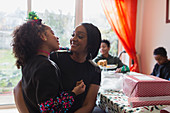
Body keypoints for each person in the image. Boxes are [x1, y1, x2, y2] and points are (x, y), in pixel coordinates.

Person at [13, 22, 102, 113]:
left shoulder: (94, 70)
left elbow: (88, 105)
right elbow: (19, 88)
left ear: (91, 43)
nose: (73, 39)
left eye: (80, 36)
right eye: (73, 35)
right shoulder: (53, 59)